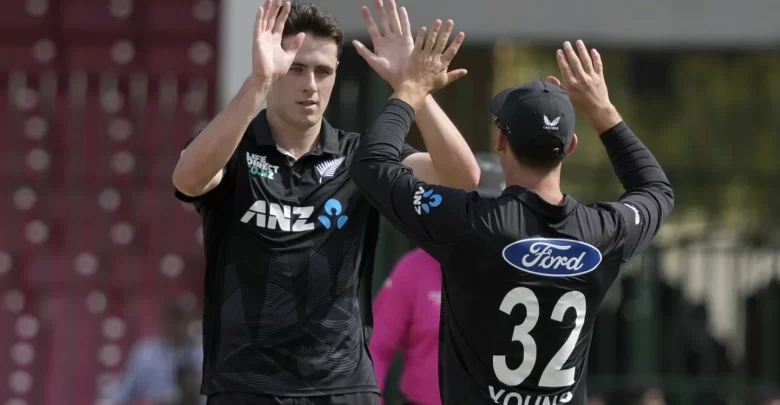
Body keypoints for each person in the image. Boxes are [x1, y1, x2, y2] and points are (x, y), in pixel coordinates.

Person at [170, 0, 480, 404]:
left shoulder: (361, 157)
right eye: (295, 68)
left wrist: (413, 88)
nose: (310, 85)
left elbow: (462, 177)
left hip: (342, 388)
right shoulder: (236, 149)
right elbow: (188, 180)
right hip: (247, 387)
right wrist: (259, 82)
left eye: (323, 71)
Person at [349, 31, 674, 405]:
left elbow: (372, 162)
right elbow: (655, 190)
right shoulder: (602, 233)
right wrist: (602, 111)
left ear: (501, 141)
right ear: (570, 147)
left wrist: (412, 88)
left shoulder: (471, 223)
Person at [370, 153, 504, 405]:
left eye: (488, 209)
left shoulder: (518, 269)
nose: (478, 219)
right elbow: (378, 346)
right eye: (469, 207)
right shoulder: (414, 268)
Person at [112, 303, 203, 405]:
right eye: (171, 321)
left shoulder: (202, 355)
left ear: (188, 322)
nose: (175, 326)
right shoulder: (144, 353)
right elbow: (122, 395)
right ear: (163, 322)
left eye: (179, 320)